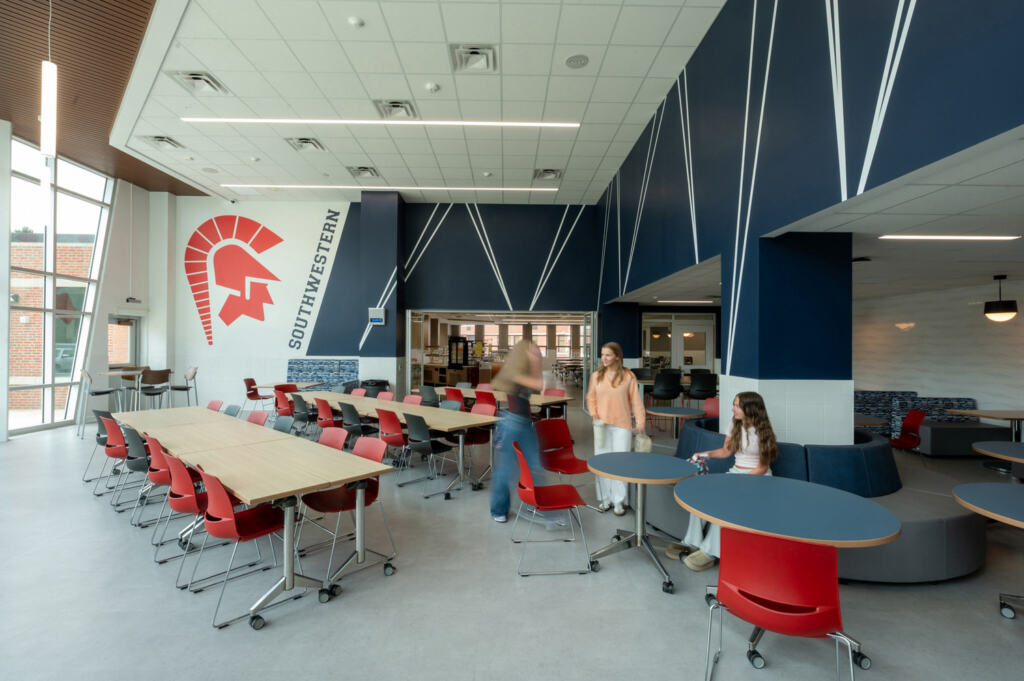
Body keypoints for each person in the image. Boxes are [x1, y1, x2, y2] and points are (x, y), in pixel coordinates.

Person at [682, 391, 778, 571]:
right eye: (733, 404)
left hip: (758, 478)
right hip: (735, 473)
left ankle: (709, 553)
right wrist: (705, 454)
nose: (733, 409)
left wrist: (738, 483)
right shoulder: (734, 424)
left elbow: (763, 467)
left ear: (750, 409)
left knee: (725, 504)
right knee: (699, 498)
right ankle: (691, 541)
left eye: (737, 405)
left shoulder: (764, 432)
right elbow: (726, 451)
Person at [586, 341, 646, 515]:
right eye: (602, 354)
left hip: (622, 426)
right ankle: (605, 499)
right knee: (602, 463)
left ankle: (618, 501)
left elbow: (636, 401)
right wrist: (594, 413)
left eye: (608, 355)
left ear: (617, 357)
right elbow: (590, 398)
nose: (604, 358)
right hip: (601, 426)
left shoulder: (628, 376)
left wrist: (640, 423)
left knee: (620, 464)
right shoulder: (596, 376)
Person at [489, 339, 543, 523]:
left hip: (523, 423)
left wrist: (535, 362)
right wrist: (537, 362)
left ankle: (538, 504)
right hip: (513, 423)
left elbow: (537, 387)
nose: (537, 353)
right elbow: (538, 385)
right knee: (505, 470)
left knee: (534, 466)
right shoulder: (515, 373)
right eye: (532, 351)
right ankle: (498, 510)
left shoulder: (521, 372)